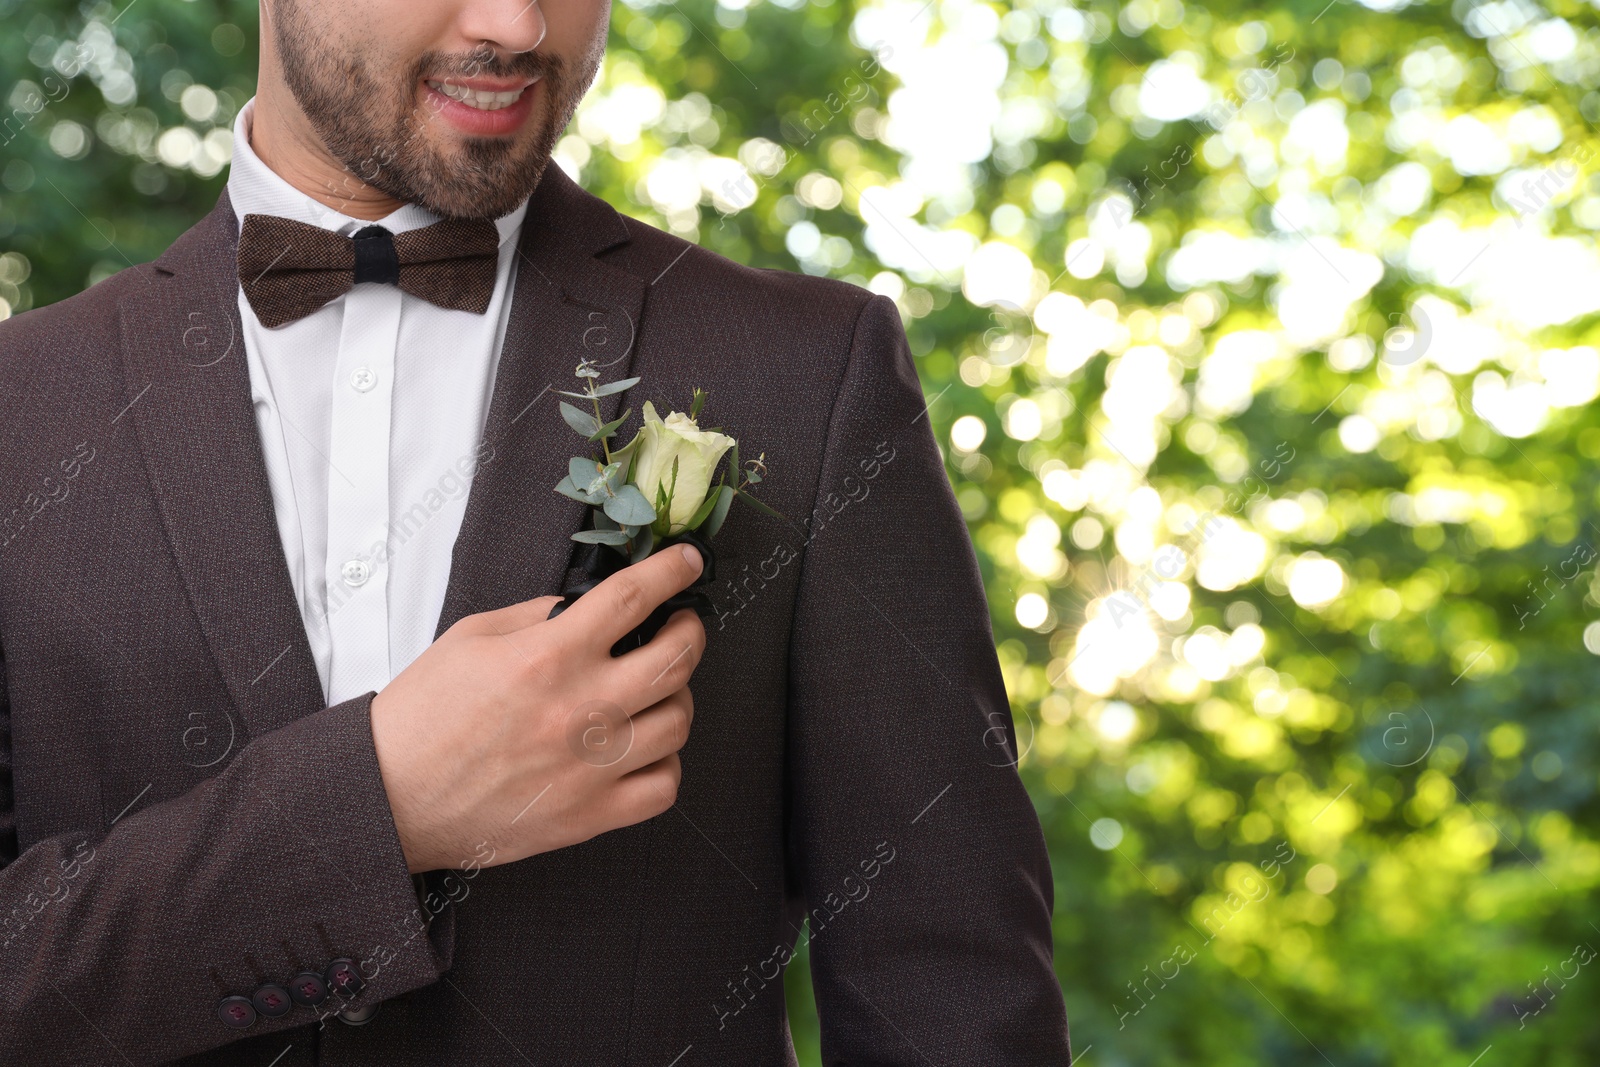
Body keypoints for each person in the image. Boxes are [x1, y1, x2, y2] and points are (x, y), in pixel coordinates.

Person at [0, 0, 1071, 1062]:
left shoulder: (808, 371)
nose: (518, 27)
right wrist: (375, 807)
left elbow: (956, 998)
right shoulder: (20, 410)